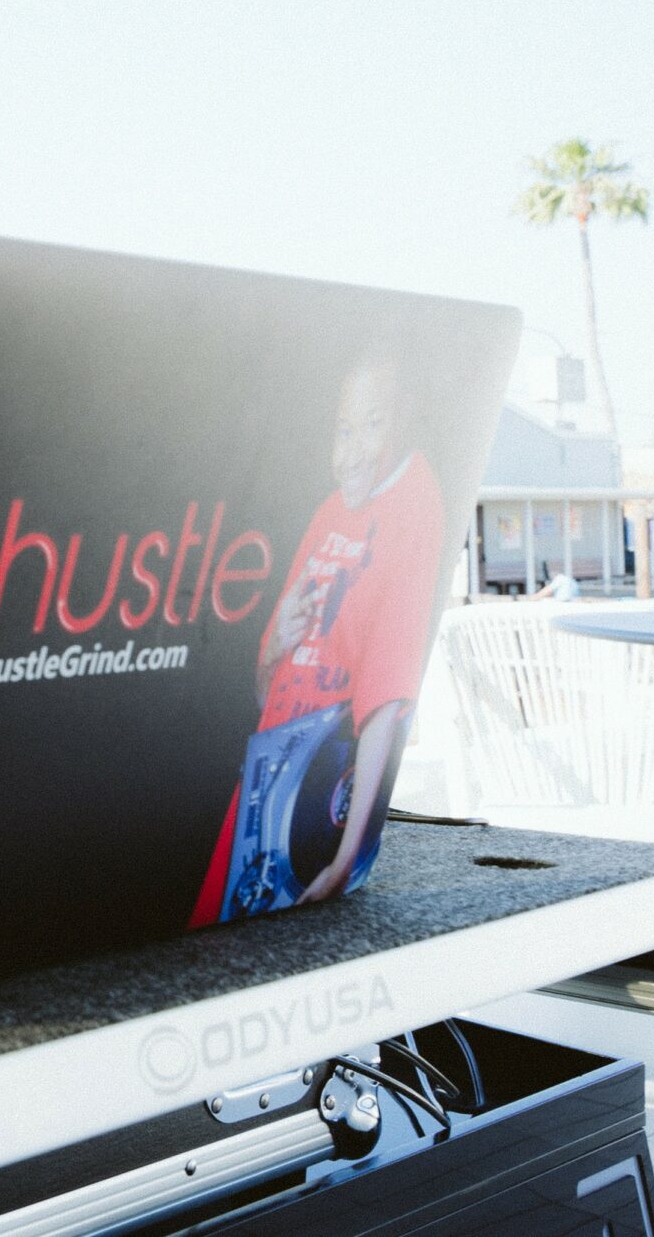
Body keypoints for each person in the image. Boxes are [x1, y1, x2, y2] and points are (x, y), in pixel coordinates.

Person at [189, 354, 446, 926]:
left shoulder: (414, 507)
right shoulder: (331, 510)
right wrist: (277, 642)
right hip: (263, 788)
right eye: (345, 428)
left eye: (374, 424)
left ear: (407, 418)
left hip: (319, 811)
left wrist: (347, 859)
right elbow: (266, 693)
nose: (353, 449)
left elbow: (387, 700)